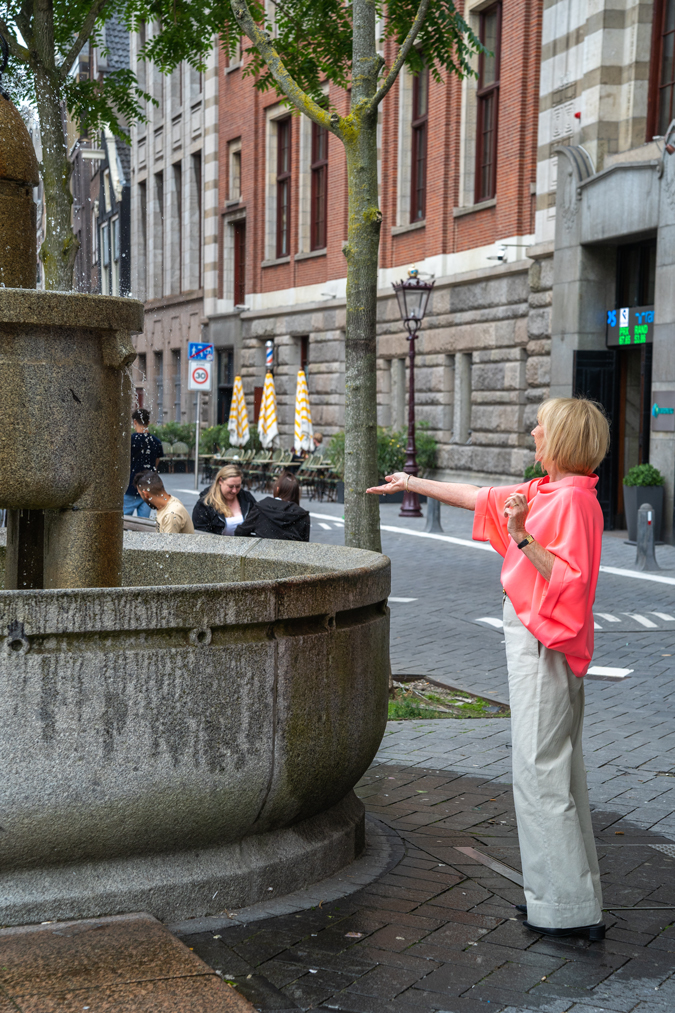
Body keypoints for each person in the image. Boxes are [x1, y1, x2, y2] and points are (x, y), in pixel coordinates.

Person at [368, 397, 610, 942]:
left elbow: (568, 581)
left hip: (545, 643)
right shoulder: (554, 491)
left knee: (540, 770)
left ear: (561, 438)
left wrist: (522, 534)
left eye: (541, 427)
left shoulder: (571, 500)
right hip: (541, 640)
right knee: (555, 769)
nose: (533, 432)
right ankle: (569, 898)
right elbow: (478, 497)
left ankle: (563, 910)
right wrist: (411, 482)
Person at [235, 471, 310, 541]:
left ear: (277, 489)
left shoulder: (261, 508)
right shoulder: (302, 515)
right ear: (296, 494)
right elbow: (304, 543)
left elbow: (240, 532)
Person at [192, 464, 257, 535]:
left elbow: (258, 520)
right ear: (220, 481)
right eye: (230, 486)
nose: (234, 491)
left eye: (238, 486)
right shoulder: (205, 503)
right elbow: (201, 533)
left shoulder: (247, 498)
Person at [124, 409, 164, 517]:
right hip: (148, 489)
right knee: (144, 522)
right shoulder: (156, 442)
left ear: (135, 422)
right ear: (148, 422)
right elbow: (155, 465)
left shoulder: (129, 441)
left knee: (124, 521)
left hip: (130, 487)